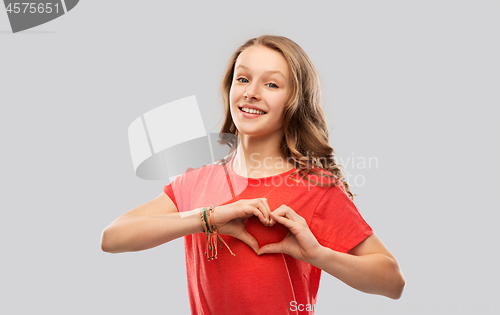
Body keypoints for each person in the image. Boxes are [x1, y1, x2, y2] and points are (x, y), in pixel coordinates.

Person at [101, 35, 405, 314]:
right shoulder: (194, 182)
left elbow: (392, 282)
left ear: (293, 101)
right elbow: (112, 237)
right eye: (243, 79)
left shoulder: (315, 187)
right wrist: (208, 217)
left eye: (271, 85)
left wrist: (318, 255)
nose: (251, 92)